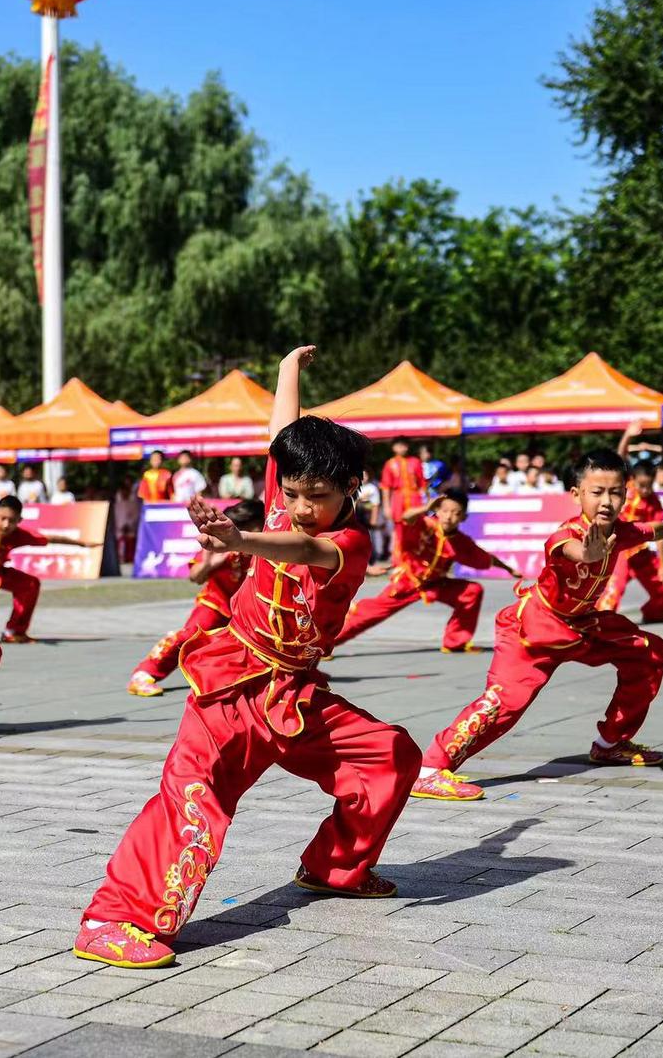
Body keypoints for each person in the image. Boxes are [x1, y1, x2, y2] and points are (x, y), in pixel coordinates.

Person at [75, 344, 419, 970]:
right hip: (230, 685)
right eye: (292, 491)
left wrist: (244, 537)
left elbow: (302, 549)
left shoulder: (348, 541)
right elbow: (281, 433)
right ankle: (113, 919)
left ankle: (334, 868)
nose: (302, 504)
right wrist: (289, 367)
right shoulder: (288, 490)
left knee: (391, 755)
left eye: (317, 495)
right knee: (193, 799)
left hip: (293, 695)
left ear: (351, 487)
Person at [411, 450, 663, 803]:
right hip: (535, 628)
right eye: (596, 492)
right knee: (505, 704)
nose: (607, 501)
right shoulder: (566, 535)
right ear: (576, 494)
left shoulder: (623, 532)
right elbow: (572, 551)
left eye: (615, 492)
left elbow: (652, 529)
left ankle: (610, 743)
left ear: (626, 494)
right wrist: (590, 554)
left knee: (649, 651)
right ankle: (429, 770)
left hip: (583, 625)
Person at [333, 490, 516, 654]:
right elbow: (406, 518)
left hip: (435, 584)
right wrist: (425, 508)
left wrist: (509, 569)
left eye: (456, 513)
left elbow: (486, 558)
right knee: (368, 614)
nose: (449, 517)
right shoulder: (425, 524)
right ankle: (325, 645)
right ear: (438, 510)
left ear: (463, 518)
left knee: (471, 592)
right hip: (408, 581)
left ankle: (455, 642)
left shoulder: (460, 541)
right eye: (445, 511)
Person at [128, 498, 267, 696]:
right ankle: (143, 674)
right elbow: (195, 577)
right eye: (250, 528)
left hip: (249, 609)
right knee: (189, 637)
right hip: (216, 603)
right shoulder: (223, 543)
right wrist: (211, 564)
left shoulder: (271, 546)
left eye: (256, 527)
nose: (255, 532)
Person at [0, 494, 98, 644]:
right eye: (3, 518)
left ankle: (14, 631)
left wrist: (81, 544)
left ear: (19, 521)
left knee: (30, 585)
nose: (7, 524)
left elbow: (50, 538)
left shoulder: (19, 535)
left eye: (12, 520)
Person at [597, 460, 663, 623]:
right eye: (641, 485)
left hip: (638, 551)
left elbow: (660, 533)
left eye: (649, 485)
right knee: (615, 589)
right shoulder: (619, 490)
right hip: (617, 550)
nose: (645, 490)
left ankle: (654, 613)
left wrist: (662, 566)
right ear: (632, 479)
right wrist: (627, 436)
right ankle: (599, 622)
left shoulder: (654, 502)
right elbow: (620, 454)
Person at [380, 438, 426, 557]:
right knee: (399, 530)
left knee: (417, 528)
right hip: (398, 499)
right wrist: (386, 507)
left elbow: (422, 484)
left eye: (404, 445)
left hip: (415, 498)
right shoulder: (390, 464)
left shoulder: (415, 461)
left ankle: (417, 558)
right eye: (399, 446)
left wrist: (426, 503)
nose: (402, 448)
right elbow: (386, 487)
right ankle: (400, 559)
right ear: (393, 448)